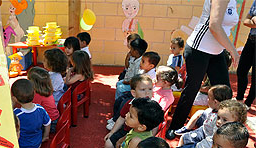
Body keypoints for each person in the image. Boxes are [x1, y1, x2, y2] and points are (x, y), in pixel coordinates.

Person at [165, 0, 240, 140]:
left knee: (225, 93)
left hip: (217, 52)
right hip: (198, 50)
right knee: (192, 89)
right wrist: (233, 51)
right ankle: (175, 126)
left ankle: (224, 132)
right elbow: (214, 26)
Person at [107, 51, 159, 131]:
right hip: (137, 92)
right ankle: (115, 118)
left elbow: (147, 90)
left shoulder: (151, 76)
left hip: (141, 95)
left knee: (124, 102)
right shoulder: (144, 71)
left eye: (143, 61)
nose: (140, 63)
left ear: (151, 66)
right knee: (120, 99)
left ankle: (117, 120)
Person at [104, 75, 153, 148]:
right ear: (133, 93)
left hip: (141, 136)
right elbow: (121, 118)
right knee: (108, 145)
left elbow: (154, 127)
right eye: (143, 89)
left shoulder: (152, 107)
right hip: (126, 131)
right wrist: (112, 132)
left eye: (150, 89)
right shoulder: (129, 104)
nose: (147, 92)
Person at [12, 79, 51, 148]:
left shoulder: (16, 114)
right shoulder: (40, 109)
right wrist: (46, 136)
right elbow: (48, 123)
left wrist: (13, 104)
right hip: (37, 144)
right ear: (34, 93)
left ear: (15, 99)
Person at [236, 0, 256, 109]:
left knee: (255, 76)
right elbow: (245, 21)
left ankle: (248, 103)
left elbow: (250, 20)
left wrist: (252, 19)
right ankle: (239, 99)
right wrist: (253, 20)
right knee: (241, 70)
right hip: (251, 40)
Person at [28, 67, 60, 133]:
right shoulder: (47, 90)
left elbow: (32, 110)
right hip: (55, 118)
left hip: (50, 124)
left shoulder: (37, 95)